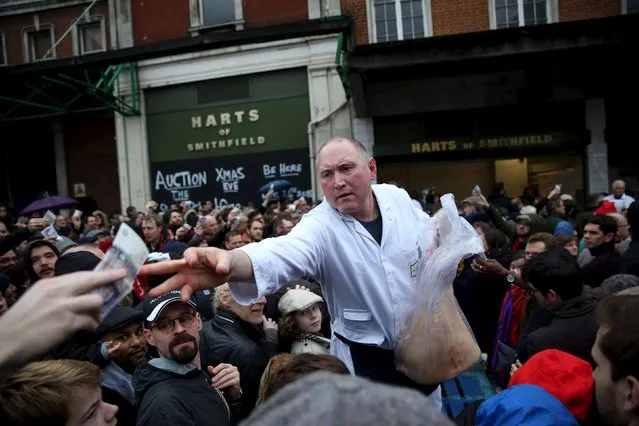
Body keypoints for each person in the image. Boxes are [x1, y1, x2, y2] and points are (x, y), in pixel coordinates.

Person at [140, 137, 442, 398]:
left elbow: (429, 239)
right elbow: (279, 252)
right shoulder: (319, 226)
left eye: (347, 168)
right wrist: (232, 263)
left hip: (424, 349)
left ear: (372, 169)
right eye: (327, 174)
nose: (337, 182)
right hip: (366, 363)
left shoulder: (397, 199)